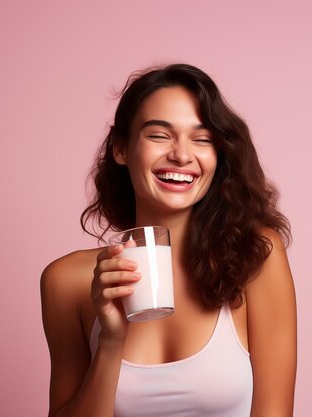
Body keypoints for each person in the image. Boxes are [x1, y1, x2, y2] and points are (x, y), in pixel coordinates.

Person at [41, 64, 297, 417]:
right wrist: (111, 341)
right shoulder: (66, 282)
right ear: (120, 148)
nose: (181, 154)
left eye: (202, 139)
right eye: (159, 135)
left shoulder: (256, 255)